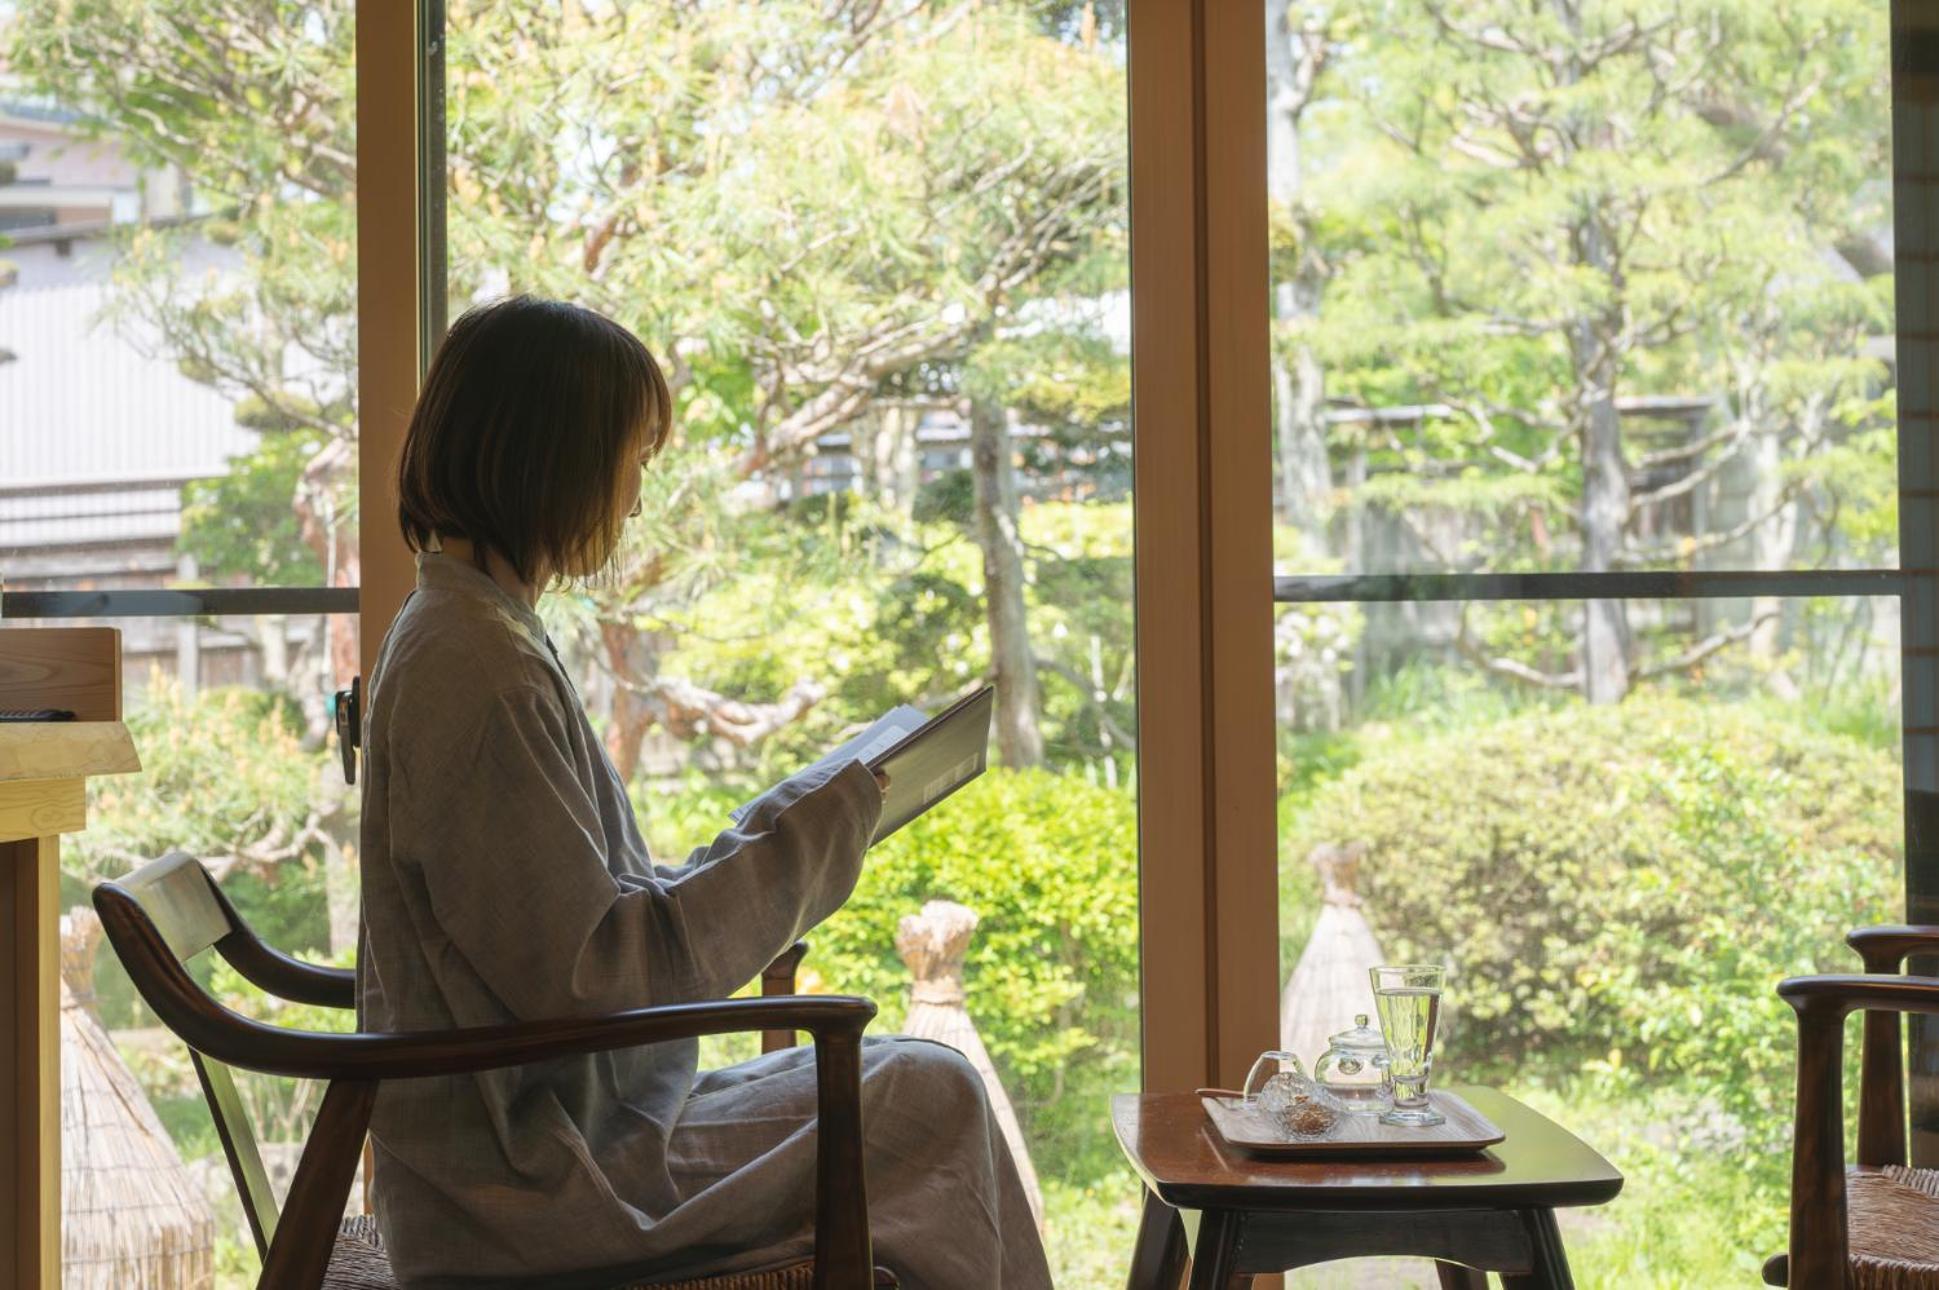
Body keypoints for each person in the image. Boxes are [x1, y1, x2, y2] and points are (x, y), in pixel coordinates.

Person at [357, 296, 1051, 1289]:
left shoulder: (471, 631)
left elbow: (578, 942)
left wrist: (802, 821)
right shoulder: (477, 666)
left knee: (920, 1087)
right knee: (926, 1094)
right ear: (553, 458)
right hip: (535, 1188)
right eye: (631, 457)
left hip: (552, 1141)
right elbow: (595, 978)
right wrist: (806, 838)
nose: (635, 496)